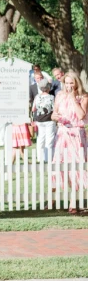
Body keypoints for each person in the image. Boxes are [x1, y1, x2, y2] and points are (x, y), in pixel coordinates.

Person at [52, 71, 88, 202]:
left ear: (76, 83)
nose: (68, 86)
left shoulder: (83, 97)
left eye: (71, 83)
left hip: (76, 134)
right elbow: (53, 114)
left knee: (75, 167)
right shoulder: (60, 95)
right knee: (58, 165)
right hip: (62, 133)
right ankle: (52, 198)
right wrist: (54, 117)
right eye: (66, 83)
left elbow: (81, 115)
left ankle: (74, 201)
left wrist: (73, 98)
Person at [32, 77, 56, 162]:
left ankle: (40, 157)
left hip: (40, 120)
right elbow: (55, 108)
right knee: (49, 139)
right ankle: (47, 158)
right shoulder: (51, 97)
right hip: (49, 120)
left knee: (40, 139)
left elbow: (33, 109)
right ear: (48, 87)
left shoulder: (37, 97)